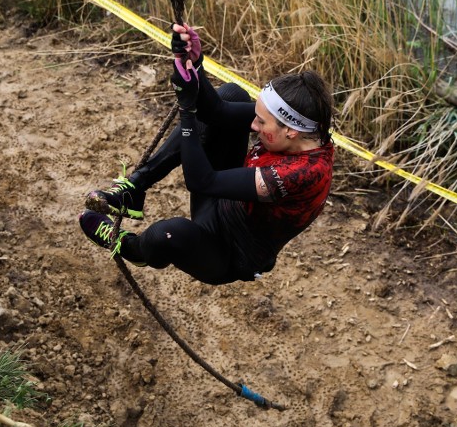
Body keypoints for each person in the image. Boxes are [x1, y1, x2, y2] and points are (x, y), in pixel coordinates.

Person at [78, 23, 335, 285]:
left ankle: (127, 246)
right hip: (223, 204)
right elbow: (217, 112)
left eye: (261, 123)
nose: (253, 126)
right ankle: (135, 188)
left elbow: (201, 181)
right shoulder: (303, 130)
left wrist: (187, 111)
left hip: (227, 254)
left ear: (290, 131)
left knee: (167, 235)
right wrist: (195, 64)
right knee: (233, 93)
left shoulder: (303, 173)